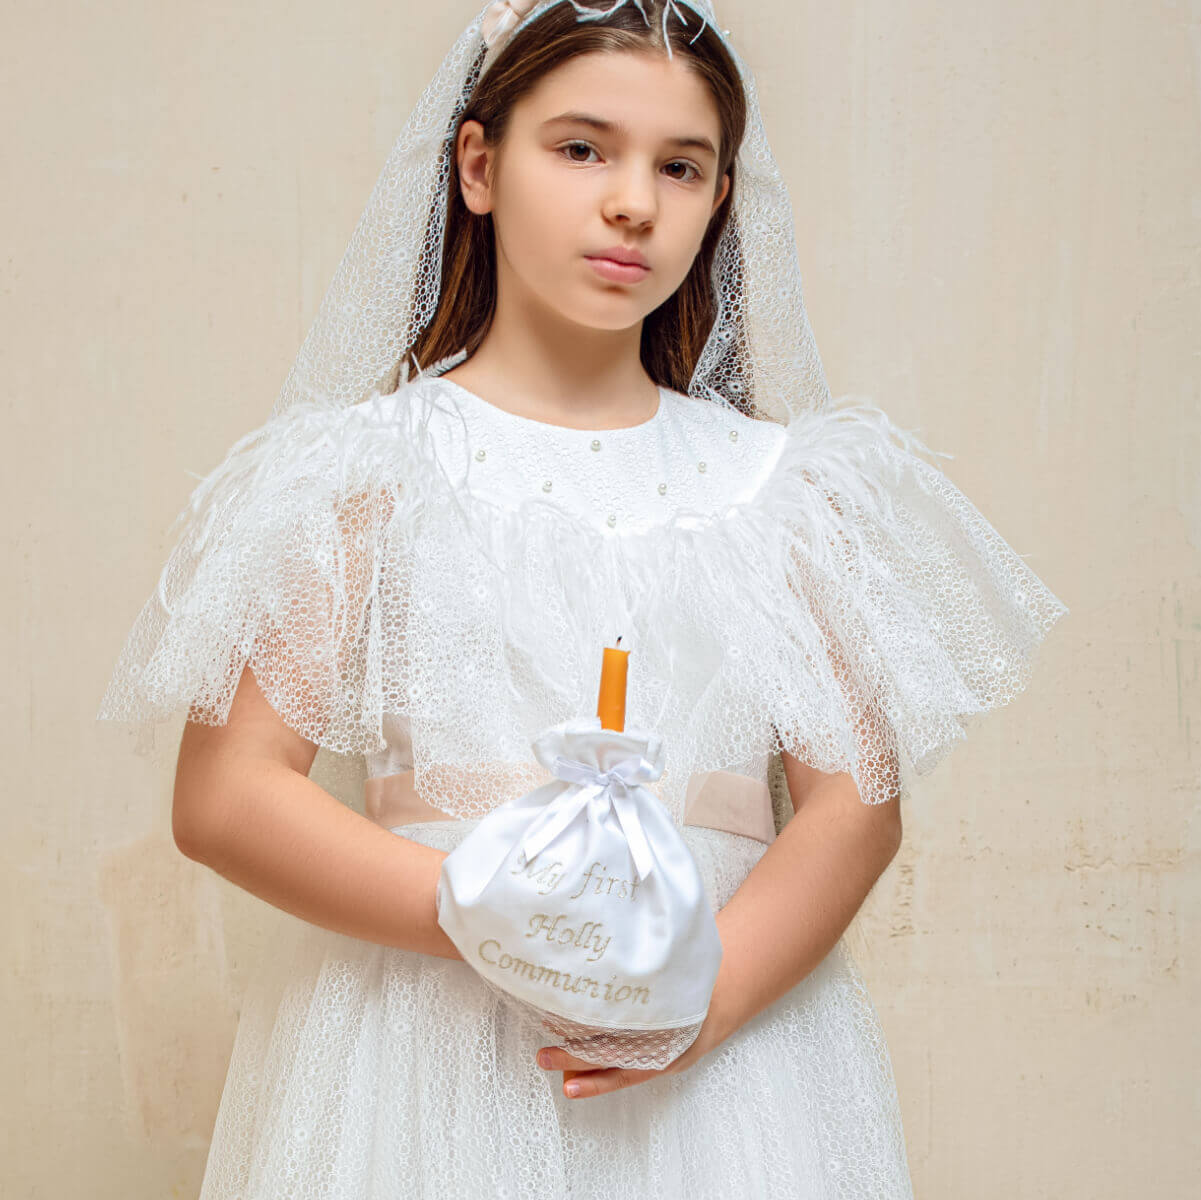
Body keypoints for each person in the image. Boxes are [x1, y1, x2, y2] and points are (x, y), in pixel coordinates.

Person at [97, 1, 1069, 1195]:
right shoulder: (367, 471)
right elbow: (227, 794)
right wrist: (493, 915)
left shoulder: (781, 485)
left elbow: (855, 802)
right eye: (580, 148)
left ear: (718, 200)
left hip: (725, 1062)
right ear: (477, 165)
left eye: (681, 166)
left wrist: (703, 997)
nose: (632, 202)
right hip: (429, 1045)